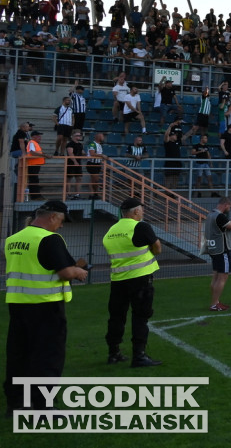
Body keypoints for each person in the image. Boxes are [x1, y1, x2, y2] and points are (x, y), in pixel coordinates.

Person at [4, 200, 89, 414]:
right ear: (52, 217)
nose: (61, 226)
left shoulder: (13, 239)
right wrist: (79, 272)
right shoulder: (50, 239)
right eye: (61, 221)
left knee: (18, 355)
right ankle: (43, 407)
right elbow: (66, 272)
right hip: (46, 306)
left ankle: (16, 403)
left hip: (17, 304)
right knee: (47, 356)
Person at [102, 197, 162, 367]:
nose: (143, 212)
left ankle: (113, 353)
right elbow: (157, 248)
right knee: (140, 317)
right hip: (140, 279)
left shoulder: (111, 230)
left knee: (116, 317)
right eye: (141, 209)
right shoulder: (141, 227)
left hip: (118, 280)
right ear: (136, 211)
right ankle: (139, 355)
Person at [205, 197, 231, 311]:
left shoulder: (211, 214)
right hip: (222, 250)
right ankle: (214, 304)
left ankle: (215, 301)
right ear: (225, 204)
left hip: (214, 250)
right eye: (230, 207)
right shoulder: (220, 216)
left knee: (215, 277)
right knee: (222, 277)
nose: (229, 209)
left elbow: (223, 226)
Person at [24, 130, 47, 200]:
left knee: (34, 180)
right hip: (33, 164)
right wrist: (44, 155)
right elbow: (32, 152)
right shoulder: (32, 142)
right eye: (38, 136)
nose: (40, 137)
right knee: (34, 180)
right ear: (33, 136)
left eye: (40, 136)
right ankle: (35, 196)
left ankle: (36, 195)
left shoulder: (34, 143)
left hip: (35, 164)